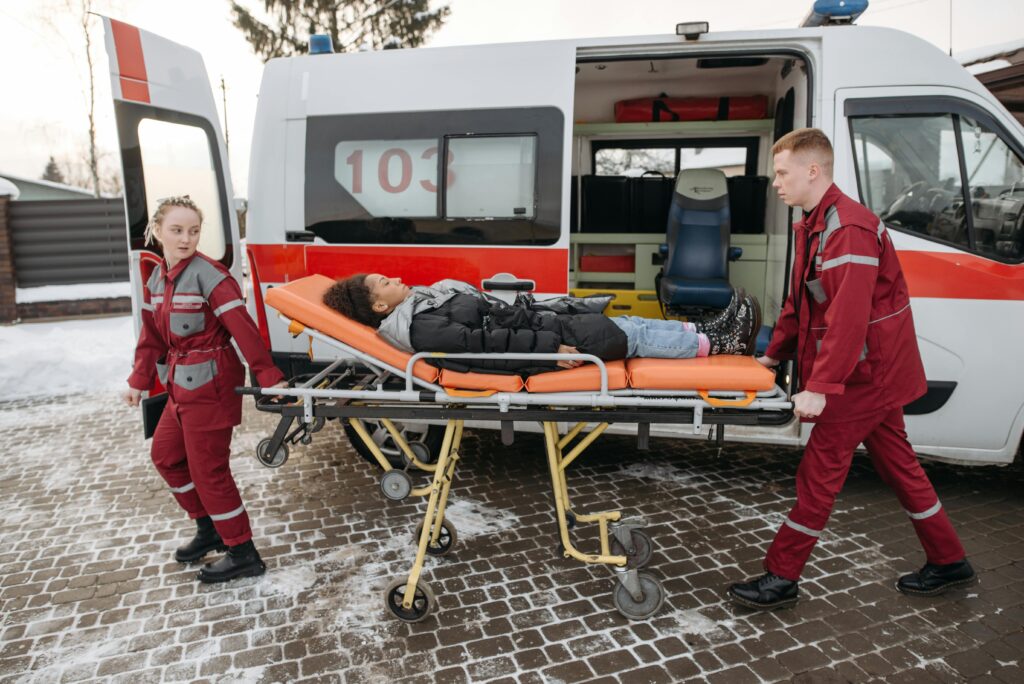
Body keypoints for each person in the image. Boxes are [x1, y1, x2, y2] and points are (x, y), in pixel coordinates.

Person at [728, 129, 973, 610]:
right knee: (901, 467)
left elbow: (849, 317)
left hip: (865, 376)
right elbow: (802, 303)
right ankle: (949, 560)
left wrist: (820, 386)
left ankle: (782, 577)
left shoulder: (848, 229)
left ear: (812, 170)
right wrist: (774, 354)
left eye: (782, 173)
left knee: (819, 473)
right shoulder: (815, 224)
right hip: (871, 372)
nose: (776, 183)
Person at [122, 196, 287, 583]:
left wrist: (268, 375)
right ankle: (209, 528)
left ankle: (242, 552)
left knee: (209, 471)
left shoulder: (211, 275)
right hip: (180, 387)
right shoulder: (158, 277)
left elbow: (243, 328)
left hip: (211, 386)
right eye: (177, 230)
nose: (186, 239)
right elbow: (152, 337)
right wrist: (138, 379)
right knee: (166, 457)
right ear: (158, 231)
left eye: (194, 231)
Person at [321, 275, 761, 374]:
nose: (393, 278)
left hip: (541, 324)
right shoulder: (420, 328)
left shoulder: (423, 302)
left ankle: (705, 331)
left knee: (625, 322)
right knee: (632, 337)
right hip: (547, 342)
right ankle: (721, 344)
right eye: (384, 282)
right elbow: (485, 347)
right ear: (379, 305)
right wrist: (550, 351)